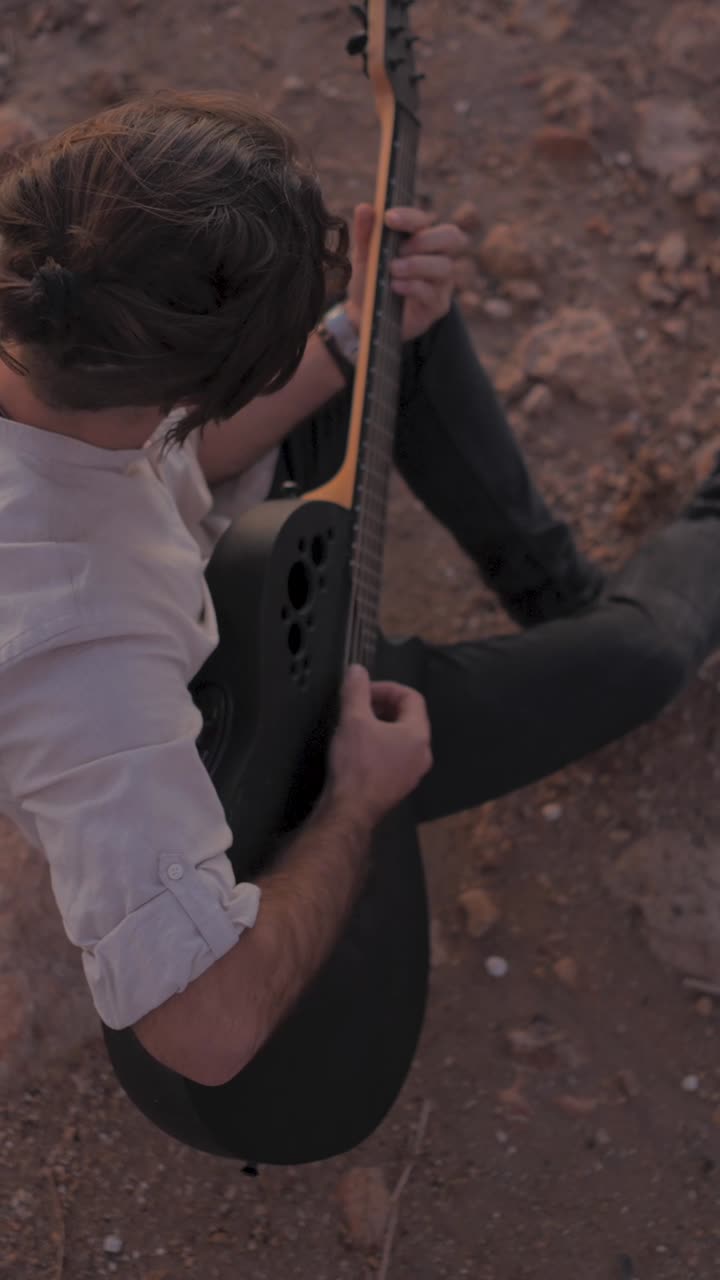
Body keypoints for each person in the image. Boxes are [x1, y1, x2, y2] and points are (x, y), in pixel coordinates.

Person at [0, 90, 718, 1090]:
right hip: (257, 729)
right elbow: (202, 1025)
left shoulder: (47, 325)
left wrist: (349, 332)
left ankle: (557, 595)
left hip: (193, 560)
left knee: (395, 330)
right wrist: (355, 797)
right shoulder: (85, 654)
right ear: (196, 387)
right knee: (643, 656)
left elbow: (175, 452)